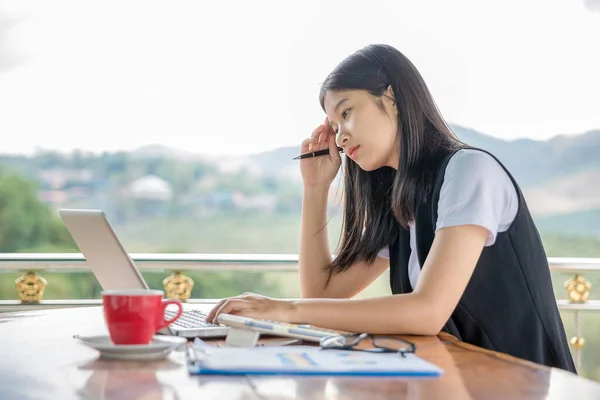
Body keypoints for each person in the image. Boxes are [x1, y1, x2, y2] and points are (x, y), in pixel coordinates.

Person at [206, 44, 576, 373]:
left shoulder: (469, 170)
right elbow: (323, 292)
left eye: (346, 113)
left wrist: (284, 310)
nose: (340, 136)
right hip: (452, 382)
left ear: (392, 97)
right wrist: (316, 189)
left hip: (522, 385)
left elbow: (428, 311)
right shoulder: (403, 200)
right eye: (334, 126)